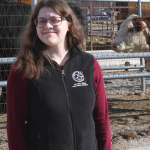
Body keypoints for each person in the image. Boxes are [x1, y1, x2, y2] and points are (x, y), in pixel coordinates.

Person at [6, 0, 112, 150]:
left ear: (69, 24)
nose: (47, 25)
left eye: (55, 20)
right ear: (35, 26)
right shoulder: (23, 69)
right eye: (41, 21)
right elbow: (14, 128)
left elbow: (101, 119)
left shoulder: (89, 64)